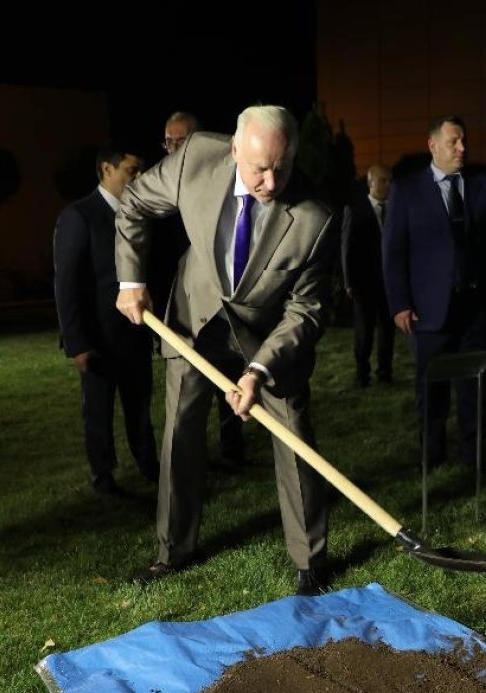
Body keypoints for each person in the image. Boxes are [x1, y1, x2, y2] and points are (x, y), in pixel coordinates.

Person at [115, 104, 334, 597]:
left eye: (282, 168)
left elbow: (306, 312)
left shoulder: (315, 218)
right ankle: (173, 551)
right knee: (180, 431)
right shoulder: (195, 159)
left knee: (294, 434)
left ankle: (309, 562)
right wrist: (131, 280)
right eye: (259, 169)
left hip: (268, 334)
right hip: (195, 318)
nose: (271, 183)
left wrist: (259, 371)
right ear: (235, 150)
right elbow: (134, 203)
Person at [382, 114, 486, 470]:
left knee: (476, 389)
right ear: (433, 145)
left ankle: (474, 458)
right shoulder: (407, 190)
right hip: (429, 311)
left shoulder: (484, 185)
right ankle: (432, 456)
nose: (462, 148)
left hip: (476, 309)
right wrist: (400, 304)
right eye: (454, 141)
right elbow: (393, 251)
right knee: (431, 390)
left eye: (464, 141)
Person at [53, 142, 160, 496]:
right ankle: (103, 473)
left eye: (141, 170)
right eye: (132, 170)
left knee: (139, 406)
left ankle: (149, 464)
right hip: (97, 338)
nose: (139, 177)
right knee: (98, 409)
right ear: (106, 170)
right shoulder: (79, 216)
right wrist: (77, 343)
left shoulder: (140, 214)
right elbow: (67, 284)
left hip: (135, 333)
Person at [151, 111, 247, 467]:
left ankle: (232, 447)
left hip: (222, 304)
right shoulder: (159, 185)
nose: (174, 147)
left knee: (231, 379)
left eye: (181, 140)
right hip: (181, 309)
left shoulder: (217, 179)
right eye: (169, 141)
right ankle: (191, 461)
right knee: (186, 399)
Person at [341, 164, 395, 387]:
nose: (387, 185)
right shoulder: (355, 210)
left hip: (389, 282)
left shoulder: (396, 209)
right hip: (363, 283)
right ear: (371, 183)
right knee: (364, 330)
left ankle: (385, 373)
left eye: (389, 180)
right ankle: (362, 375)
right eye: (383, 181)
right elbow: (346, 248)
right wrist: (348, 282)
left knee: (387, 329)